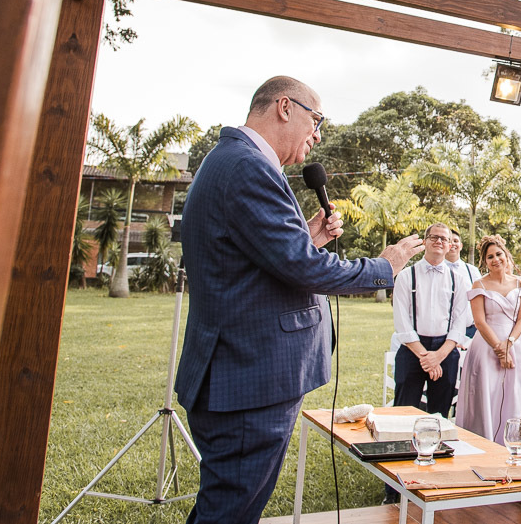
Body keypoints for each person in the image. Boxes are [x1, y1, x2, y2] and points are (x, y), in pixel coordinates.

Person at [175, 76, 421, 524]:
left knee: (233, 505)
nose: (319, 133)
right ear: (285, 107)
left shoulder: (234, 160)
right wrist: (385, 266)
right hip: (248, 377)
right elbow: (304, 270)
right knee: (229, 510)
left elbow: (265, 261)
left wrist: (308, 238)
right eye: (317, 119)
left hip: (240, 372)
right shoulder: (249, 167)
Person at [391, 223, 471, 417]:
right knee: (404, 412)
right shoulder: (405, 276)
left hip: (446, 351)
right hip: (412, 350)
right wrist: (427, 357)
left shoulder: (458, 279)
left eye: (444, 239)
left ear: (450, 245)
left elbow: (459, 323)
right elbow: (402, 322)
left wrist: (438, 356)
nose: (439, 241)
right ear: (425, 242)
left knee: (440, 415)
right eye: (434, 237)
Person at [457, 235, 521, 444]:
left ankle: (512, 443)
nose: (495, 259)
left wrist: (509, 343)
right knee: (486, 395)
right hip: (486, 347)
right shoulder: (480, 284)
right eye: (490, 257)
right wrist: (499, 348)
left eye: (498, 254)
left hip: (516, 344)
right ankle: (482, 443)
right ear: (484, 262)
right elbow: (479, 321)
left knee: (514, 394)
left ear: (506, 255)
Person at [445, 228, 482, 343]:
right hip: (444, 332)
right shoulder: (436, 270)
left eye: (455, 241)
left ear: (460, 245)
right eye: (449, 241)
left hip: (470, 330)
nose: (453, 244)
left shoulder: (472, 271)